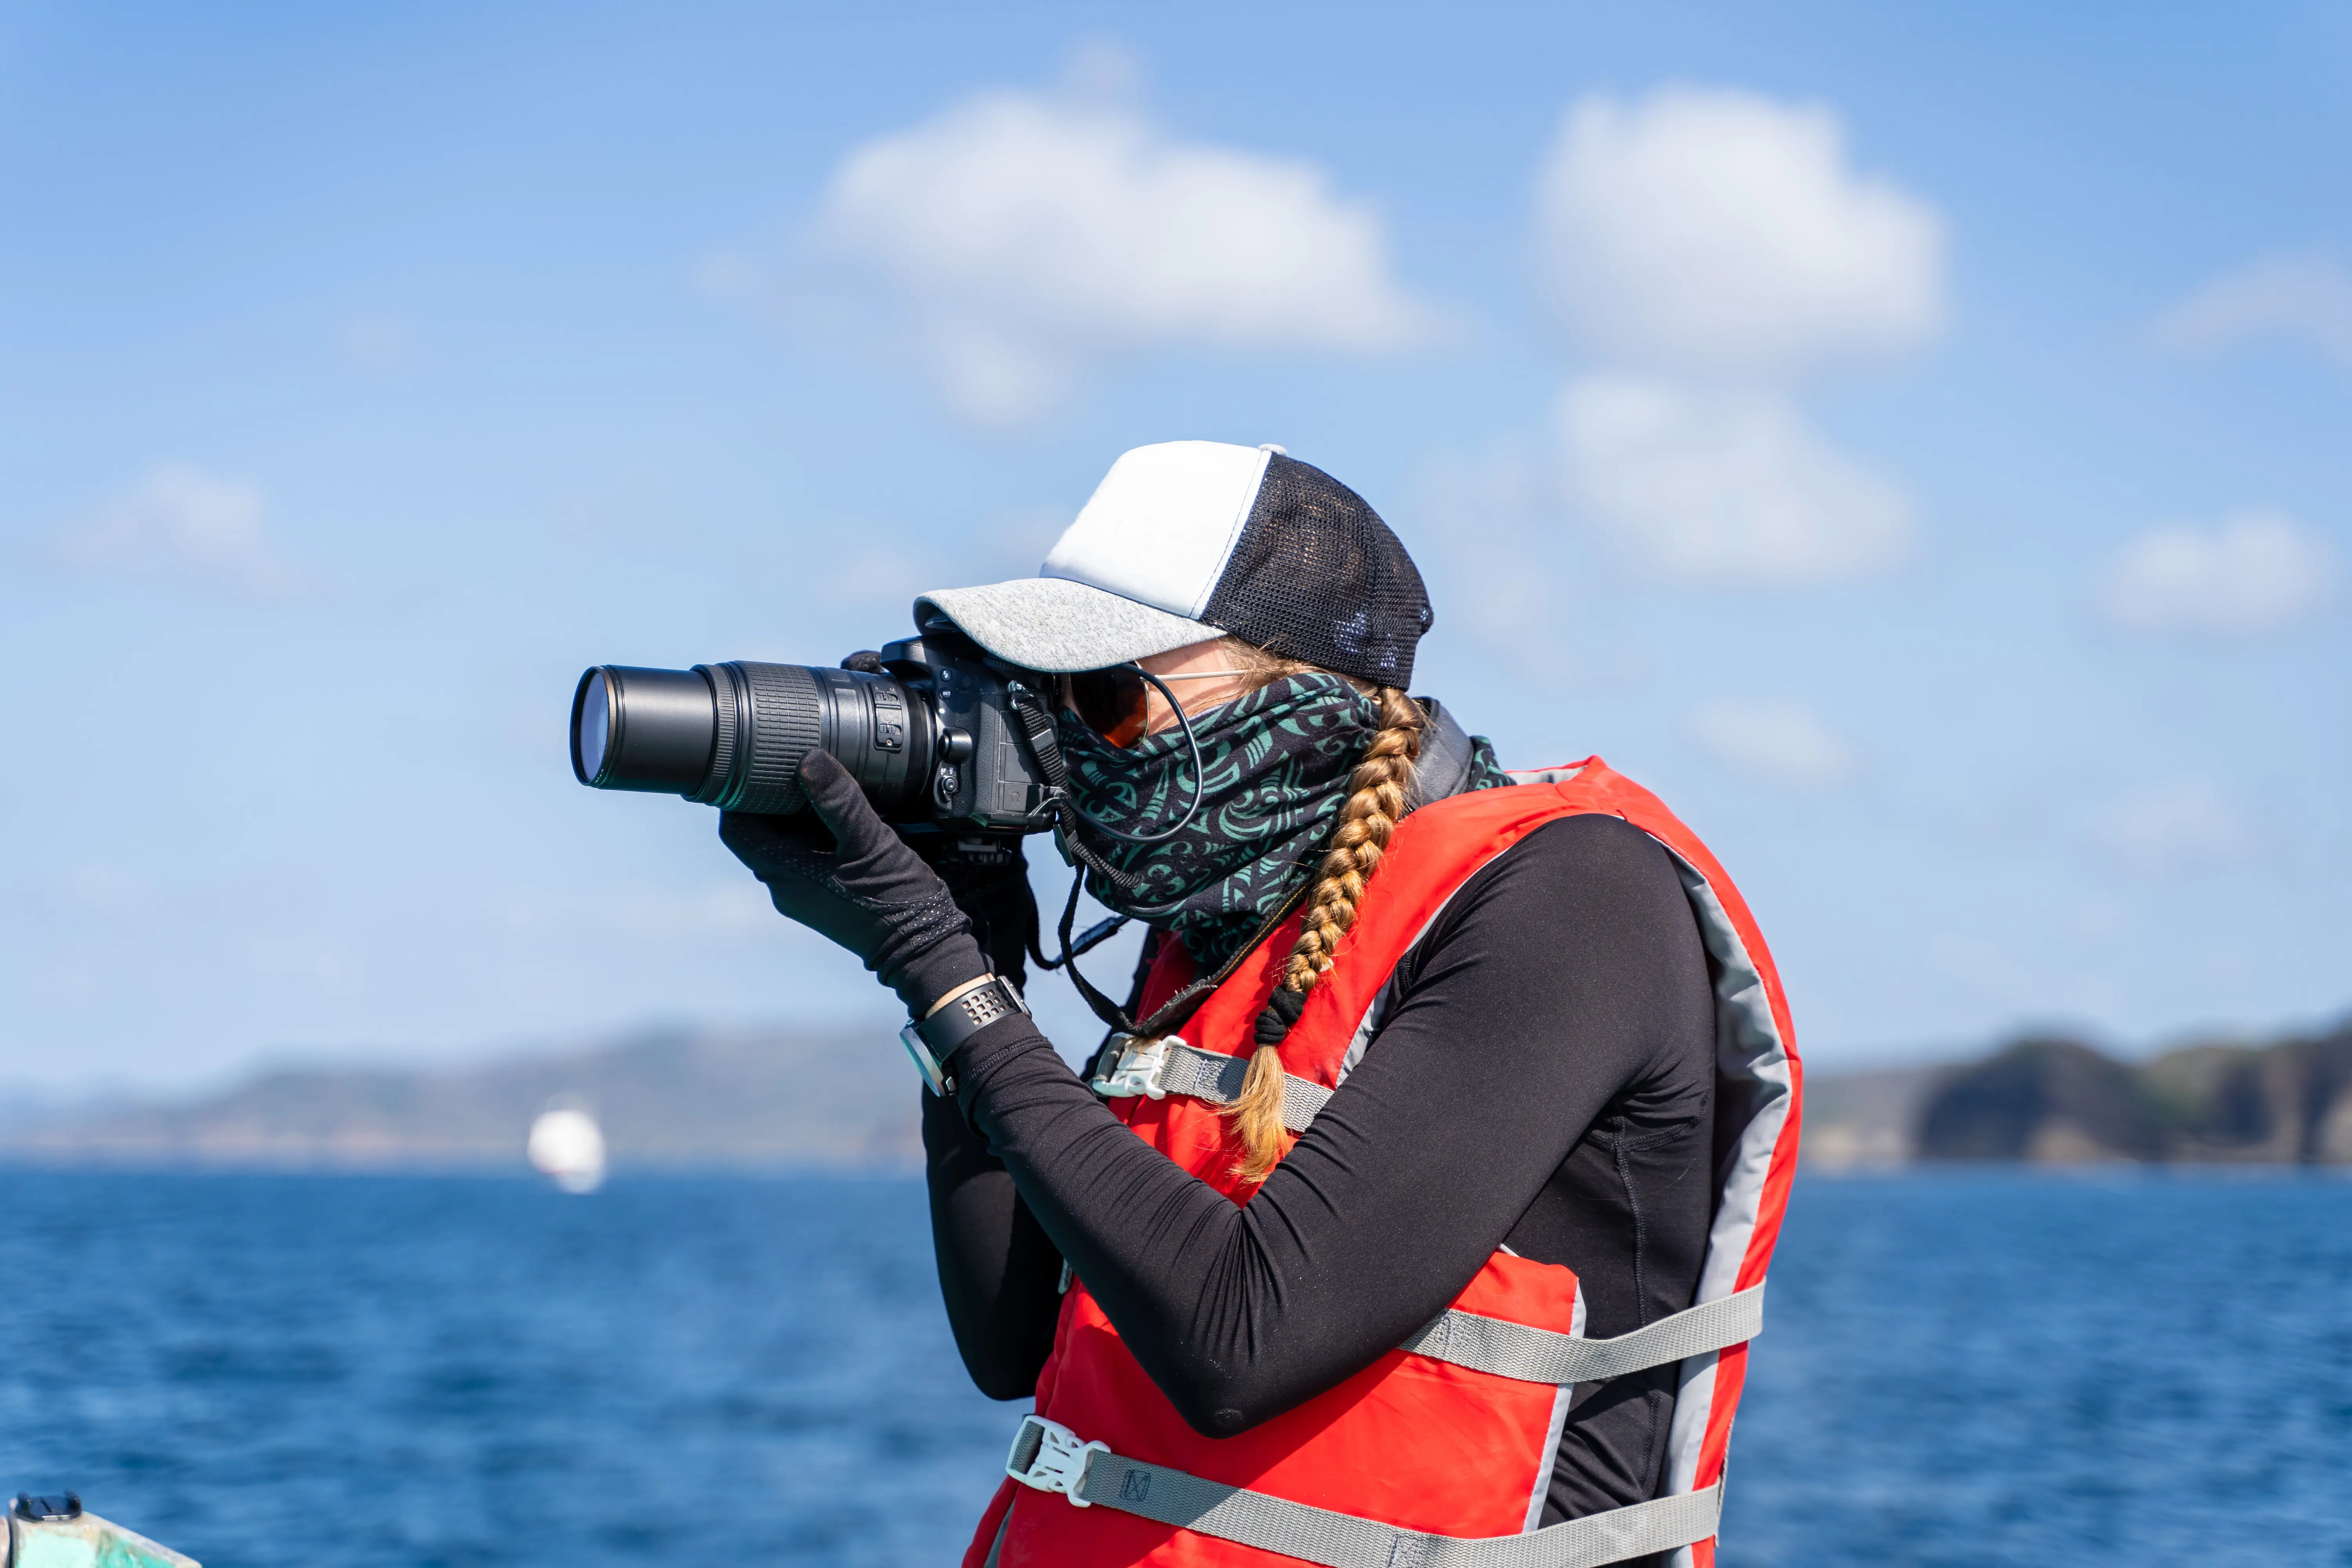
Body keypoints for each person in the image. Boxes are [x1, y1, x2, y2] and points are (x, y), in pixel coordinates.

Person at [717, 441, 1802, 1568]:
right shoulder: (1226, 933)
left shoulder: (1573, 903)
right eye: (1047, 700)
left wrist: (945, 977)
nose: (1073, 744)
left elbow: (1241, 1341)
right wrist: (973, 945)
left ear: (1294, 694)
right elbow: (1012, 1341)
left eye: (1109, 700)